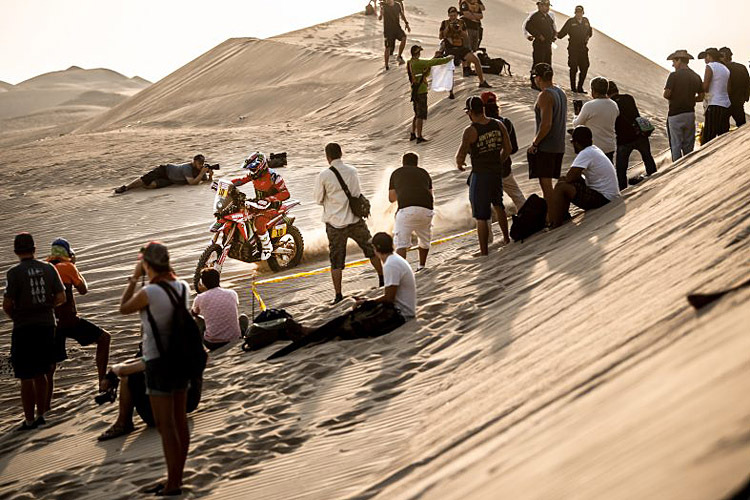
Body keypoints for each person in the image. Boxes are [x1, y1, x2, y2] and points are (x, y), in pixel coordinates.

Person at [267, 232, 415, 359]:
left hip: (400, 315)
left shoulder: (391, 265)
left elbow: (389, 298)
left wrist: (368, 301)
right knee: (348, 317)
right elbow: (390, 297)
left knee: (348, 324)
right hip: (398, 310)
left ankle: (309, 333)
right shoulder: (394, 260)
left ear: (377, 249)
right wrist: (366, 302)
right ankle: (309, 331)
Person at [119, 242, 192, 497]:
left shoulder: (149, 292)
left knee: (165, 426)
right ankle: (176, 477)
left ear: (147, 263)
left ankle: (174, 483)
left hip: (158, 362)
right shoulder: (182, 287)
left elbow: (123, 307)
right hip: (181, 359)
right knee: (180, 422)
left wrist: (134, 277)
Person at [3, 233, 65, 430]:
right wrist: (47, 307)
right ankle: (42, 415)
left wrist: (17, 317)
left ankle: (29, 420)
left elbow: (7, 304)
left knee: (25, 375)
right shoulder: (49, 268)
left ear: (16, 251)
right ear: (34, 249)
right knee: (43, 371)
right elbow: (61, 296)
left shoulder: (14, 273)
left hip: (24, 328)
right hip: (46, 325)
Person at [314, 143, 384, 304]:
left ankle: (338, 295)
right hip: (355, 220)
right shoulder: (353, 171)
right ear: (341, 154)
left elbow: (318, 199)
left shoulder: (323, 175)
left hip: (335, 224)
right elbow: (356, 194)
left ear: (328, 157)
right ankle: (382, 279)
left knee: (336, 260)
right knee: (371, 249)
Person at [47, 238, 111, 405]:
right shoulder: (67, 267)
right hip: (69, 320)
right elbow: (83, 289)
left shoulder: (44, 268)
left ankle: (44, 406)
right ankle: (102, 384)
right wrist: (75, 267)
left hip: (50, 323)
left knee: (50, 366)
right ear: (68, 254)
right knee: (104, 338)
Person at [97, 345, 202, 442]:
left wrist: (111, 373)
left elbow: (125, 370)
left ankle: (123, 423)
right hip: (191, 399)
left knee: (129, 376)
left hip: (172, 408)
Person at [456, 96, 513, 255]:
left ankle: (484, 251)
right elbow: (508, 148)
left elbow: (460, 155)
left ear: (470, 112)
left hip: (480, 175)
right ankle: (506, 238)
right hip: (495, 172)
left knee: (481, 215)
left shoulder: (470, 130)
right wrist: (497, 161)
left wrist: (460, 164)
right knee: (498, 205)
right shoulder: (498, 124)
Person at [549, 126, 620, 228]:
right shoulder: (594, 149)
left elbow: (570, 177)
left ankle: (555, 223)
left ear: (576, 143)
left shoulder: (585, 153)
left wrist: (567, 179)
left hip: (604, 198)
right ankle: (563, 216)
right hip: (609, 195)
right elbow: (574, 176)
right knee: (563, 182)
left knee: (561, 187)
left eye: (572, 142)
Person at [230, 152, 291, 261]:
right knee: (240, 213)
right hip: (259, 204)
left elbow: (285, 194)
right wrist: (225, 183)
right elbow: (240, 180)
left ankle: (267, 248)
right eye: (250, 169)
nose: (251, 172)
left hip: (273, 206)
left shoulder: (274, 176)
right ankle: (249, 244)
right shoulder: (254, 175)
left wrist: (269, 199)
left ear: (261, 166)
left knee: (259, 222)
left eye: (253, 169)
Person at [527, 63, 567, 210]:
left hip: (547, 146)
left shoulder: (545, 95)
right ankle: (558, 212)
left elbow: (546, 124)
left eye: (534, 77)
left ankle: (553, 217)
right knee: (549, 183)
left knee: (546, 185)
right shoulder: (560, 92)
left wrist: (535, 143)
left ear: (538, 78)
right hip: (559, 145)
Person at [480, 91, 526, 211]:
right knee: (517, 196)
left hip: (485, 170)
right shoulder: (506, 123)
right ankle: (530, 217)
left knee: (485, 203)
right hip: (504, 167)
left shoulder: (478, 127)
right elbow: (513, 148)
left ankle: (486, 229)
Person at [607, 81, 657, 188]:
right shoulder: (629, 98)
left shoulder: (610, 104)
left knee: (621, 169)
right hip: (639, 134)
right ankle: (655, 179)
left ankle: (623, 191)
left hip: (623, 140)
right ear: (617, 90)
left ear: (607, 93)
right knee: (647, 157)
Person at [388, 152, 434, 270]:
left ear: (403, 162)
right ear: (417, 163)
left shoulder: (396, 173)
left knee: (401, 244)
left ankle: (402, 271)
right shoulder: (424, 173)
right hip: (426, 209)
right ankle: (422, 266)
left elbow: (391, 198)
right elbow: (430, 195)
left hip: (406, 211)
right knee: (424, 241)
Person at [192, 268, 249, 350]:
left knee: (196, 319)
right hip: (234, 338)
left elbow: (194, 313)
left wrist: (201, 292)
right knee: (243, 317)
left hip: (212, 344)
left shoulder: (200, 298)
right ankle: (239, 335)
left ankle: (197, 347)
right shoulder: (232, 293)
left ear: (203, 283)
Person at [407, 45, 453, 143]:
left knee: (416, 113)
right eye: (419, 52)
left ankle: (413, 133)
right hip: (421, 91)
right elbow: (432, 63)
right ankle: (419, 136)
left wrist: (434, 58)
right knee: (420, 115)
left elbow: (426, 69)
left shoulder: (410, 63)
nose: (420, 54)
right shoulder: (417, 63)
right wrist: (448, 59)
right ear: (416, 53)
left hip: (415, 91)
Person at [664, 50, 704, 161]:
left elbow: (666, 94)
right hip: (690, 114)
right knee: (688, 145)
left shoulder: (673, 75)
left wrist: (677, 97)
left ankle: (677, 170)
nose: (673, 64)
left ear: (679, 60)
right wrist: (690, 99)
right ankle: (688, 167)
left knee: (676, 145)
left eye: (674, 61)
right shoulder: (696, 76)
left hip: (675, 115)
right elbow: (701, 96)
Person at [439, 6, 491, 88]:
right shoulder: (444, 23)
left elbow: (466, 36)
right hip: (450, 49)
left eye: (454, 15)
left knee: (476, 60)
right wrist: (448, 28)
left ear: (457, 14)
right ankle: (449, 89)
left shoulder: (461, 22)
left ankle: (482, 82)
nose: (453, 17)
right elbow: (441, 37)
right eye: (451, 15)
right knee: (450, 69)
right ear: (448, 15)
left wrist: (460, 30)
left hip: (460, 48)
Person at [572, 76, 619, 162]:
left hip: (595, 147)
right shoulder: (614, 105)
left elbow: (577, 124)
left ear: (593, 90)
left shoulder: (589, 106)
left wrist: (576, 116)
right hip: (609, 146)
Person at [114, 154, 212, 194]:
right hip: (165, 170)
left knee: (152, 185)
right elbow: (192, 183)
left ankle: (140, 186)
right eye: (199, 163)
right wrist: (202, 173)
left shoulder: (200, 170)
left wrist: (210, 175)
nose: (201, 165)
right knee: (145, 179)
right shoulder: (187, 167)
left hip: (170, 180)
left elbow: (206, 181)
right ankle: (126, 187)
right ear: (194, 162)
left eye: (202, 164)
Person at [556, 5, 592, 93]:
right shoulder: (571, 21)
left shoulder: (585, 21)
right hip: (573, 48)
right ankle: (573, 88)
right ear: (575, 12)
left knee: (585, 67)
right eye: (577, 12)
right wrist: (554, 33)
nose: (578, 14)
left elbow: (590, 31)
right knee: (573, 67)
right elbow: (561, 34)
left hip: (583, 48)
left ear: (583, 13)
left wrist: (588, 37)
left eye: (580, 12)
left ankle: (580, 87)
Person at [699, 47, 731, 144]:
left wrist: (696, 86)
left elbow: (705, 87)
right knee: (722, 136)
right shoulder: (726, 69)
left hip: (714, 105)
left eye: (705, 57)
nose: (705, 59)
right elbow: (728, 88)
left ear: (709, 56)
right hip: (726, 105)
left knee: (708, 137)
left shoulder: (710, 66)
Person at [524, 0, 556, 90]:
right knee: (538, 63)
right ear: (540, 6)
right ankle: (534, 83)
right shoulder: (536, 16)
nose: (547, 7)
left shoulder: (548, 17)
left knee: (547, 63)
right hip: (539, 44)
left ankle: (544, 82)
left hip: (547, 44)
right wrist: (538, 35)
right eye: (546, 5)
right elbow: (528, 26)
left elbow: (551, 27)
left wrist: (553, 35)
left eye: (548, 6)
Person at [719, 47, 749, 127]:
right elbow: (747, 83)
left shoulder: (723, 68)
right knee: (742, 126)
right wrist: (745, 97)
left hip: (725, 102)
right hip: (739, 101)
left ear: (723, 56)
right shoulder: (742, 67)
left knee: (723, 128)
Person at [379, 0, 410, 70]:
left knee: (404, 38)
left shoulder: (397, 5)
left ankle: (399, 56)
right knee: (388, 47)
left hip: (397, 28)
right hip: (388, 31)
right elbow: (380, 18)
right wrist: (381, 13)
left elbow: (401, 14)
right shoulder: (384, 6)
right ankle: (386, 65)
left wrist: (406, 23)